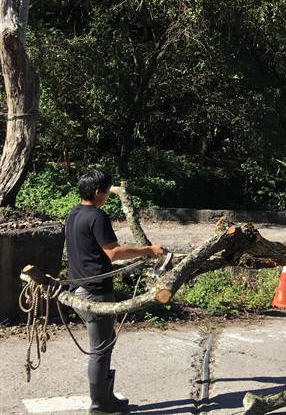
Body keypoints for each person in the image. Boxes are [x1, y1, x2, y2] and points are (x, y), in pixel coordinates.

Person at [65, 169, 167, 414]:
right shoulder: (97, 217)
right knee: (100, 349)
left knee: (105, 343)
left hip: (77, 289)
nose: (109, 194)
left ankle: (106, 397)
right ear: (99, 192)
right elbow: (113, 252)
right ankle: (100, 404)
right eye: (108, 190)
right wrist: (147, 250)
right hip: (95, 292)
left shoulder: (73, 215)